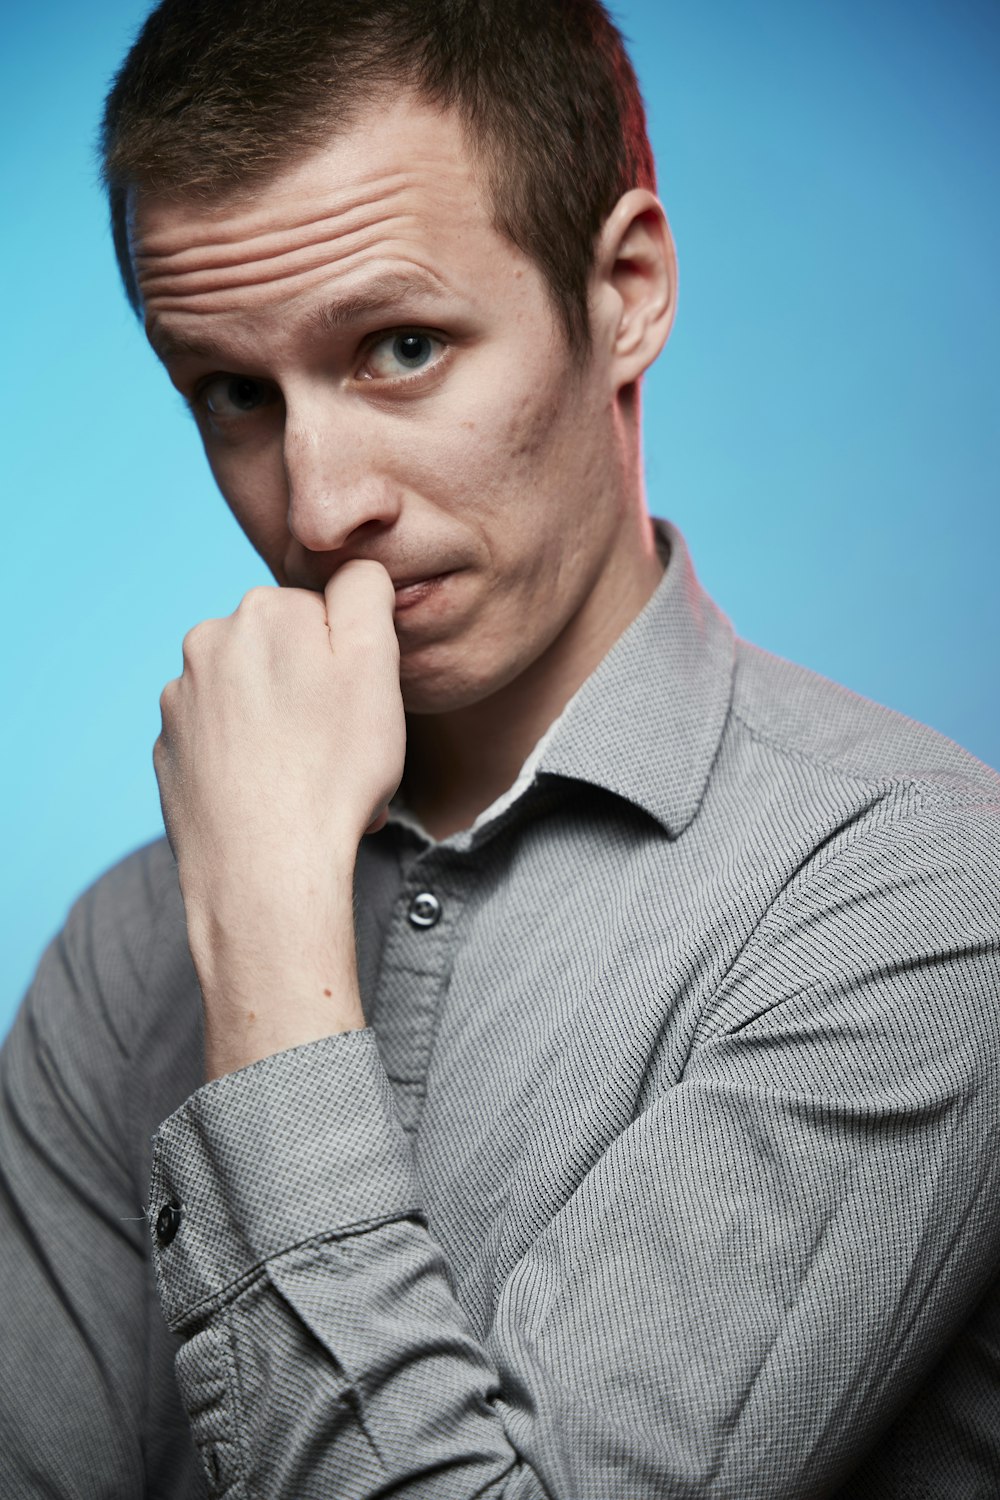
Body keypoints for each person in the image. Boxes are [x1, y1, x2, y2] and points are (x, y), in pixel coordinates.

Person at [2, 0, 998, 1494]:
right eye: (234, 393)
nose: (321, 503)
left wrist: (271, 956)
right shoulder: (125, 944)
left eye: (401, 348)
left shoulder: (927, 894)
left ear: (628, 292)